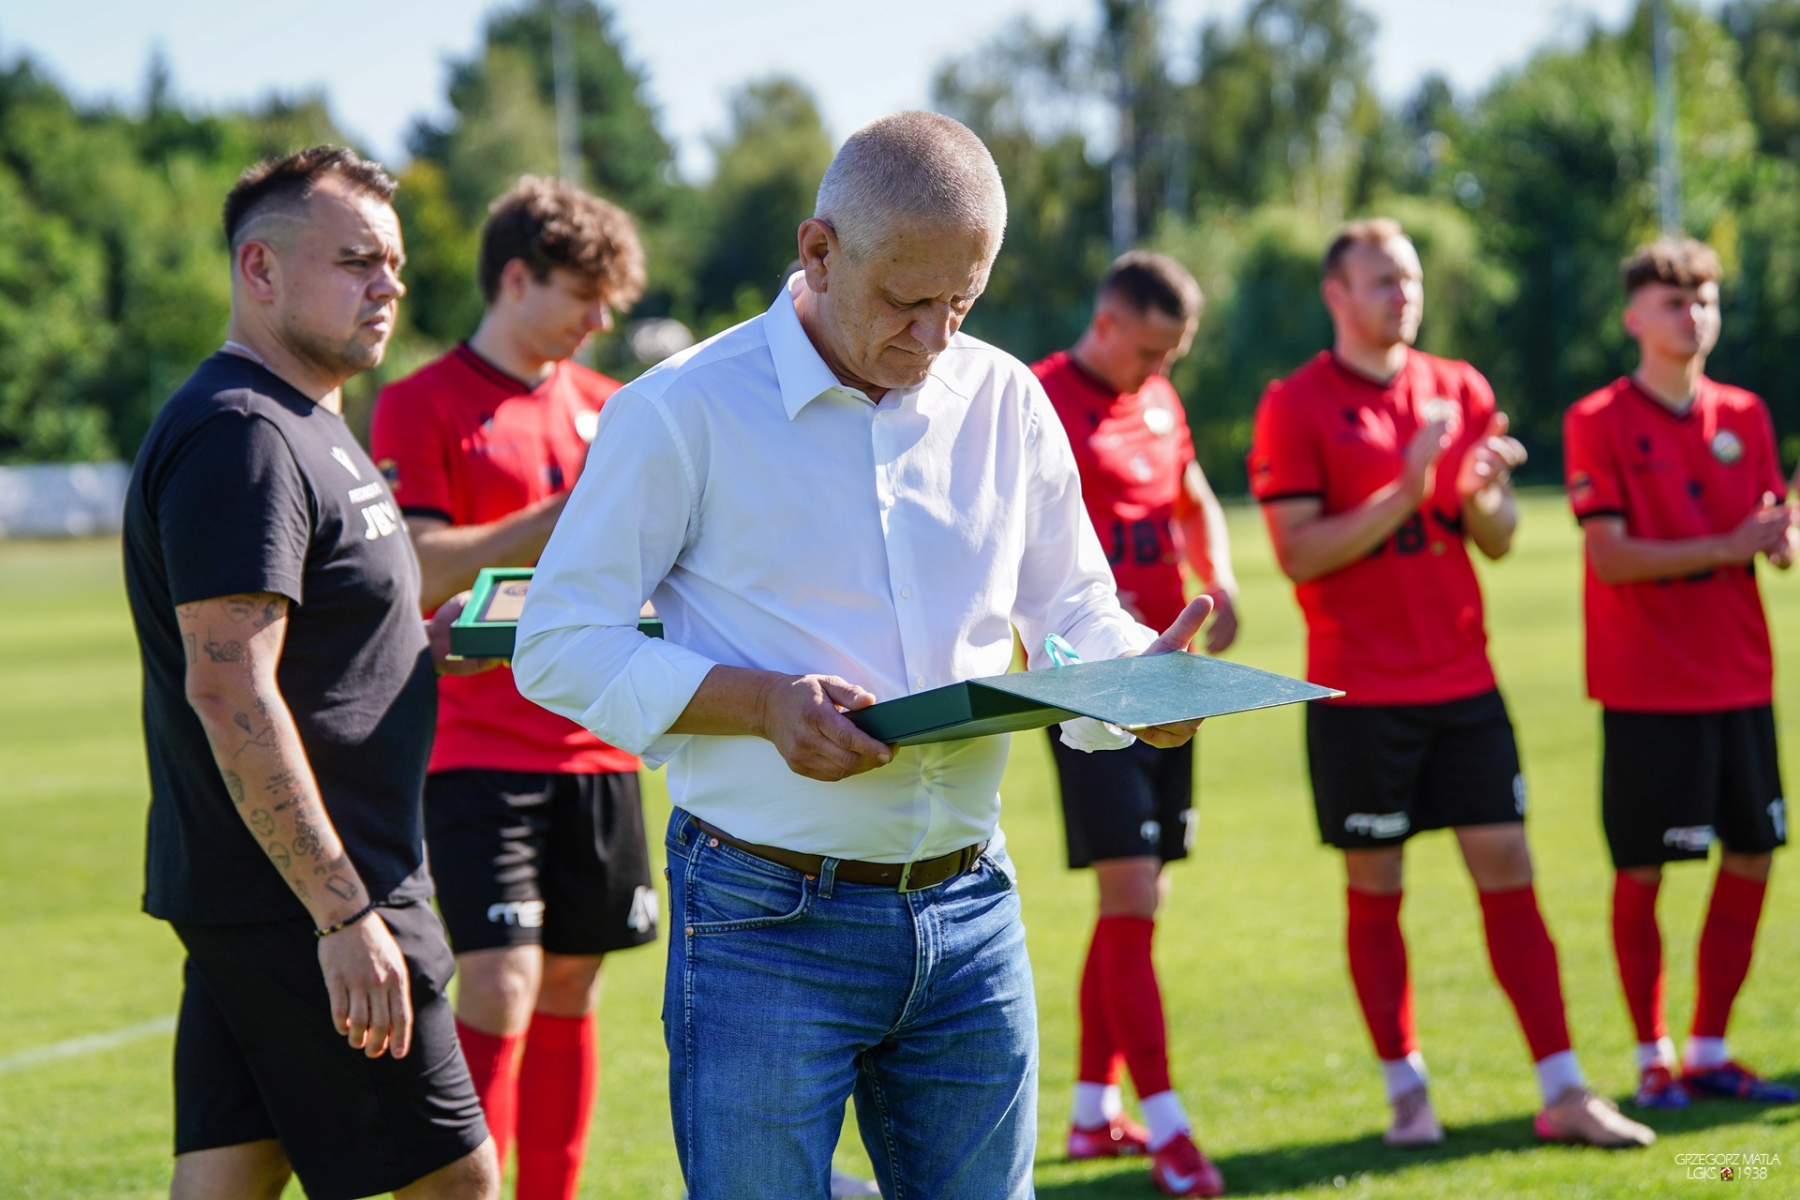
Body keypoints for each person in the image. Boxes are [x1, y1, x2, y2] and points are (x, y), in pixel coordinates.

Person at [511, 111, 1215, 1200]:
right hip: (761, 917)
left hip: (973, 907)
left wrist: (1136, 679)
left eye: (962, 302)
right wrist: (759, 704)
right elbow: (558, 644)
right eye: (905, 301)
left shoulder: (1006, 398)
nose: (935, 336)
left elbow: (1073, 603)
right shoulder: (681, 410)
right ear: (819, 251)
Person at [121, 147, 498, 1200]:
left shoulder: (306, 418)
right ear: (261, 268)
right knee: (458, 1181)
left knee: (230, 1174)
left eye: (395, 264)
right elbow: (228, 685)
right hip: (313, 895)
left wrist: (422, 649)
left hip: (274, 891)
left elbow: (318, 651)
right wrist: (341, 914)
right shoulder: (242, 434)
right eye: (357, 261)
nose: (390, 286)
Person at [1246, 217, 1654, 1149]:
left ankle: (1563, 1089)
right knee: (1376, 880)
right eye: (1383, 280)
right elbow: (1299, 554)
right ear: (1336, 295)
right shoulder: (1295, 404)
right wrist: (1406, 485)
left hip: (1464, 679)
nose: (1404, 295)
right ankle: (1407, 1095)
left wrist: (1479, 493)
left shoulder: (1459, 385)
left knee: (1510, 868)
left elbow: (1498, 540)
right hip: (1357, 690)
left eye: (1411, 279)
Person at [369, 176, 659, 1200]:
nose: (600, 320)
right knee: (499, 985)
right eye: (584, 294)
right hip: (476, 750)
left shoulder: (615, 409)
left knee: (574, 984)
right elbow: (413, 567)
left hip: (601, 744)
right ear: (518, 277)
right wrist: (556, 518)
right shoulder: (420, 401)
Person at [1563, 237, 1797, 1110]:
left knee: (1754, 855)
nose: (1693, 314)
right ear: (1634, 318)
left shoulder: (1746, 413)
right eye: (1674, 301)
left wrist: (1780, 540)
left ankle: (1709, 1048)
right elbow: (1612, 557)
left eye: (1705, 300)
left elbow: (1768, 534)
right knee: (1644, 871)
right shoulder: (1597, 418)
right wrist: (1728, 545)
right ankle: (1650, 1056)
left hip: (1741, 676)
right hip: (1648, 686)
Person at [1033, 251, 1234, 1197]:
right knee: (1131, 894)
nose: (1160, 371)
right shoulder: (1038, 399)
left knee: (1139, 897)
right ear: (1106, 323)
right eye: (1151, 351)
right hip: (1092, 684)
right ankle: (1169, 1127)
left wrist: (1219, 575)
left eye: (1172, 356)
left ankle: (1088, 1114)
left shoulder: (1157, 399)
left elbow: (1191, 492)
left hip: (1171, 680)